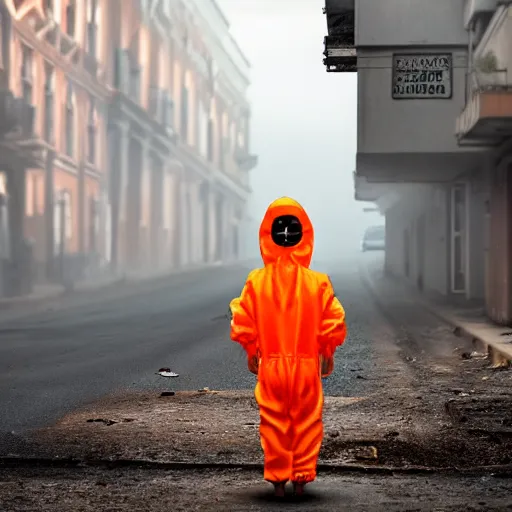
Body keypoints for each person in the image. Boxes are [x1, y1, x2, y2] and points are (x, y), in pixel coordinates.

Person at [229, 197, 347, 497]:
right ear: (305, 235)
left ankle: (279, 479)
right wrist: (327, 352)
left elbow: (243, 317)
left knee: (274, 421)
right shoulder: (317, 282)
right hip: (307, 365)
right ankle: (302, 477)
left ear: (266, 235)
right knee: (307, 421)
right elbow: (332, 319)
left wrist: (251, 349)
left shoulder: (256, 281)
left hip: (271, 365)